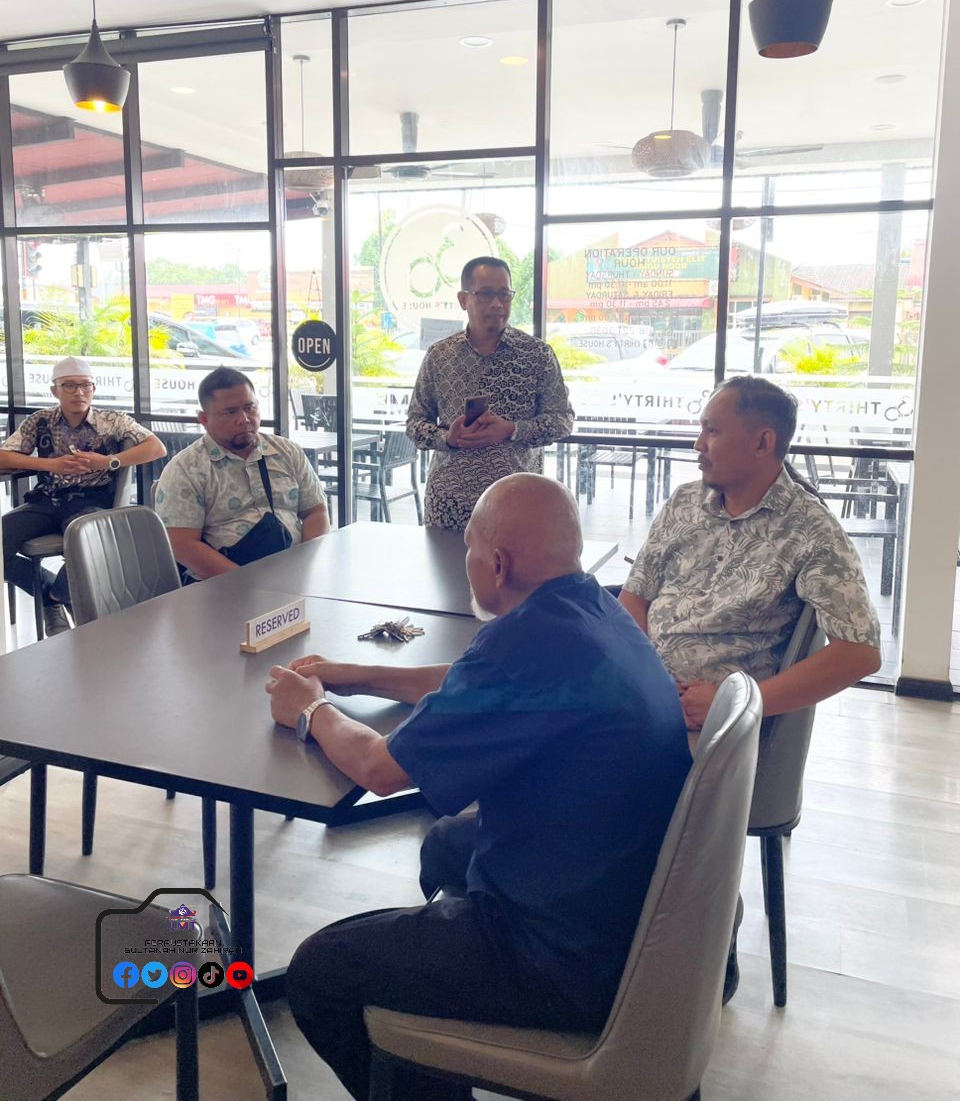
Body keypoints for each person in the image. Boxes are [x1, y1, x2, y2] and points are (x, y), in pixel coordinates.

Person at [265, 473, 690, 1101]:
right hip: (632, 896)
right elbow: (475, 680)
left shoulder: (525, 644)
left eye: (468, 547)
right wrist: (353, 675)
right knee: (444, 845)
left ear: (496, 563)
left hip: (567, 956)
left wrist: (310, 709)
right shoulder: (593, 609)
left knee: (323, 970)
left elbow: (381, 769)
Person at [620, 375, 882, 730]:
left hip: (712, 723)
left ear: (762, 442)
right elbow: (635, 596)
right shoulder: (685, 502)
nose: (698, 444)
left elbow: (859, 653)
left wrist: (738, 702)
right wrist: (645, 678)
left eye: (712, 431)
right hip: (640, 694)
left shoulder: (810, 529)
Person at [0, 357, 166, 636]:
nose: (78, 392)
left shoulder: (111, 420)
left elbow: (156, 447)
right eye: (69, 385)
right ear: (55, 391)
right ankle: (47, 592)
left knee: (86, 545)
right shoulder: (40, 420)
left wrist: (108, 461)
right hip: (46, 499)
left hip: (90, 501)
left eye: (85, 385)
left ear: (93, 389)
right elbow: (4, 455)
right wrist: (50, 464)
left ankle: (53, 597)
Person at [406, 256, 574, 531]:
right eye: (485, 294)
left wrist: (512, 430)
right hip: (449, 503)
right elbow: (414, 423)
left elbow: (562, 421)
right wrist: (447, 438)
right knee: (443, 563)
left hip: (516, 504)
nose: (497, 304)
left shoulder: (537, 355)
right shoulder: (439, 356)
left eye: (504, 294)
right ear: (463, 299)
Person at [155, 366, 329, 579]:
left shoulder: (286, 451)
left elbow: (316, 511)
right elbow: (182, 544)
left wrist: (305, 565)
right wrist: (246, 583)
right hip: (224, 583)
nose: (244, 419)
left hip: (294, 574)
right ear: (204, 419)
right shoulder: (186, 469)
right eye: (230, 412)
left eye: (250, 407)